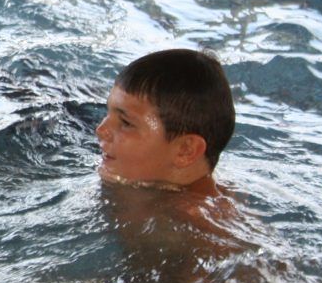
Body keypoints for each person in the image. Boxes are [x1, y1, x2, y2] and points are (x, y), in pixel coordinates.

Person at [95, 49, 235, 198]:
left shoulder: (195, 217)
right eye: (108, 112)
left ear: (185, 150)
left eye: (126, 123)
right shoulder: (144, 184)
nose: (100, 130)